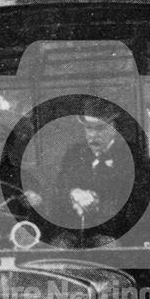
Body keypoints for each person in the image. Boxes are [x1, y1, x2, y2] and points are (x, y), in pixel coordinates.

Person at [53, 102, 137, 246]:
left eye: (100, 129)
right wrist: (74, 193)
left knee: (107, 250)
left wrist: (97, 203)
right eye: (88, 129)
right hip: (74, 231)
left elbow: (134, 202)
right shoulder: (75, 153)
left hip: (113, 233)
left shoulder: (131, 155)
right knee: (57, 251)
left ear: (114, 128)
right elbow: (59, 188)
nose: (92, 135)